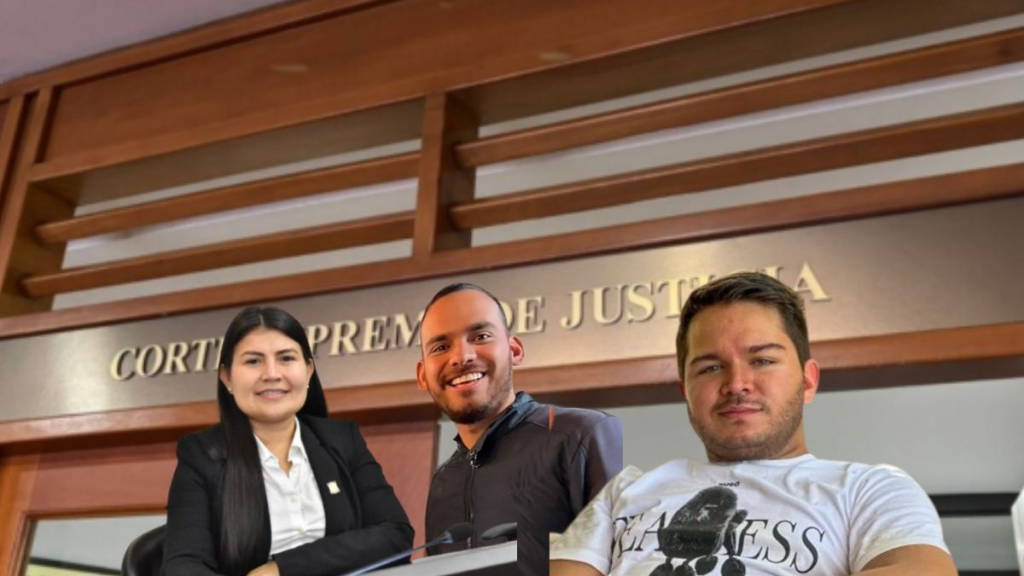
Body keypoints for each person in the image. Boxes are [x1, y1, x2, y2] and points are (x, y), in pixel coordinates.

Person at [550, 272, 955, 576]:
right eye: (710, 367)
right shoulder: (624, 492)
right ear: (686, 390)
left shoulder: (870, 489)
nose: (736, 384)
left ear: (808, 380)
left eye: (762, 360)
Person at [162, 306, 413, 576]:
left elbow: (395, 535)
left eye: (286, 358)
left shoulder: (342, 439)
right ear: (227, 377)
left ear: (308, 370)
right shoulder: (200, 455)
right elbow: (182, 567)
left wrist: (281, 569)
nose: (272, 374)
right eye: (253, 361)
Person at [416, 283, 624, 576]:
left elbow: (623, 563)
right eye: (440, 347)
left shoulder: (581, 434)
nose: (461, 357)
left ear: (514, 350)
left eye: (481, 336)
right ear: (423, 375)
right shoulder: (443, 481)